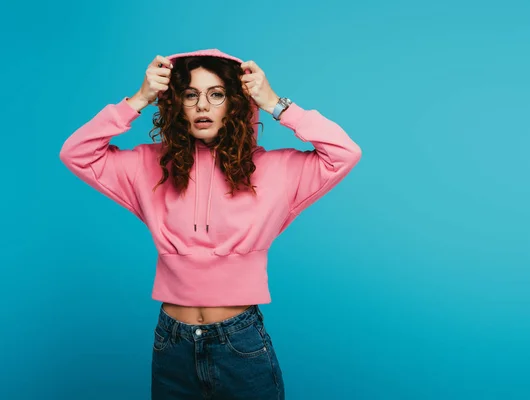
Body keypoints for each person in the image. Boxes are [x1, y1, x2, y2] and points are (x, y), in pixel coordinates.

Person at [59, 48, 362, 399]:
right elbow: (75, 153)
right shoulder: (149, 166)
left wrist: (275, 103)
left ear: (236, 103)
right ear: (175, 104)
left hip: (239, 342)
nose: (203, 105)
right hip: (171, 342)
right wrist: (138, 99)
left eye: (216, 94)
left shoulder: (277, 170)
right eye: (190, 94)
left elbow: (345, 153)